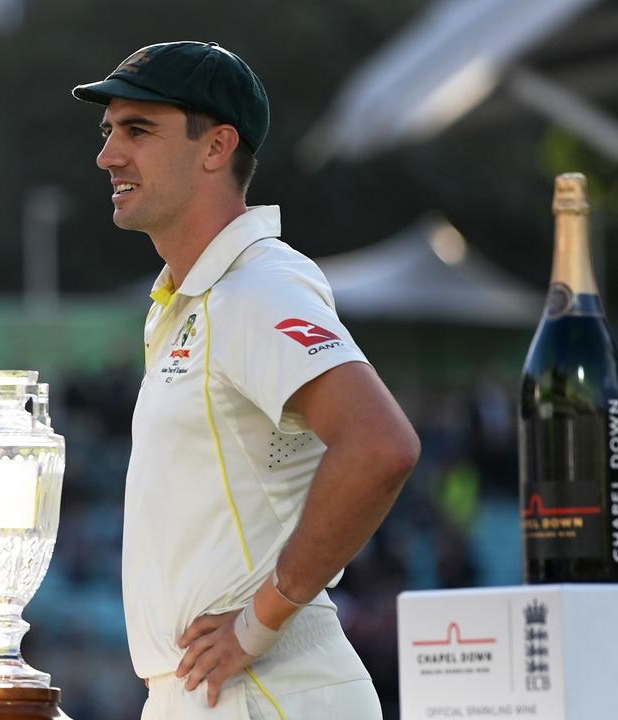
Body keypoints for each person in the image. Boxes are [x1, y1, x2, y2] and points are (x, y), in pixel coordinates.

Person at [72, 43, 420, 718]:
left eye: (138, 129)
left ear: (216, 147)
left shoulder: (252, 286)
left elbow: (381, 444)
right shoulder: (193, 298)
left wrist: (259, 623)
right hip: (218, 689)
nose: (108, 154)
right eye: (109, 130)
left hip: (263, 689)